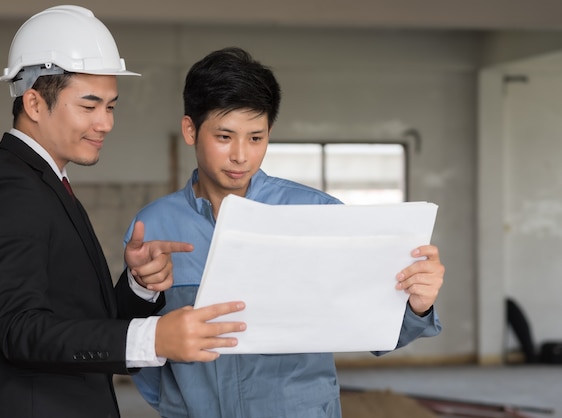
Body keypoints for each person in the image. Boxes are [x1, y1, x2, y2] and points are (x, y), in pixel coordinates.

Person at [0, 7, 246, 418]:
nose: (105, 123)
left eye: (111, 107)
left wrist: (139, 287)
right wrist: (155, 336)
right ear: (34, 103)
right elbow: (21, 331)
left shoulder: (44, 185)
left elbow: (77, 325)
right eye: (89, 107)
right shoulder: (5, 190)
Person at [124, 46, 445, 418]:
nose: (241, 155)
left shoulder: (317, 214)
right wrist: (174, 403)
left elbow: (374, 331)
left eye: (256, 138)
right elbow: (137, 343)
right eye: (225, 137)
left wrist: (417, 305)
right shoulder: (154, 226)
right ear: (190, 129)